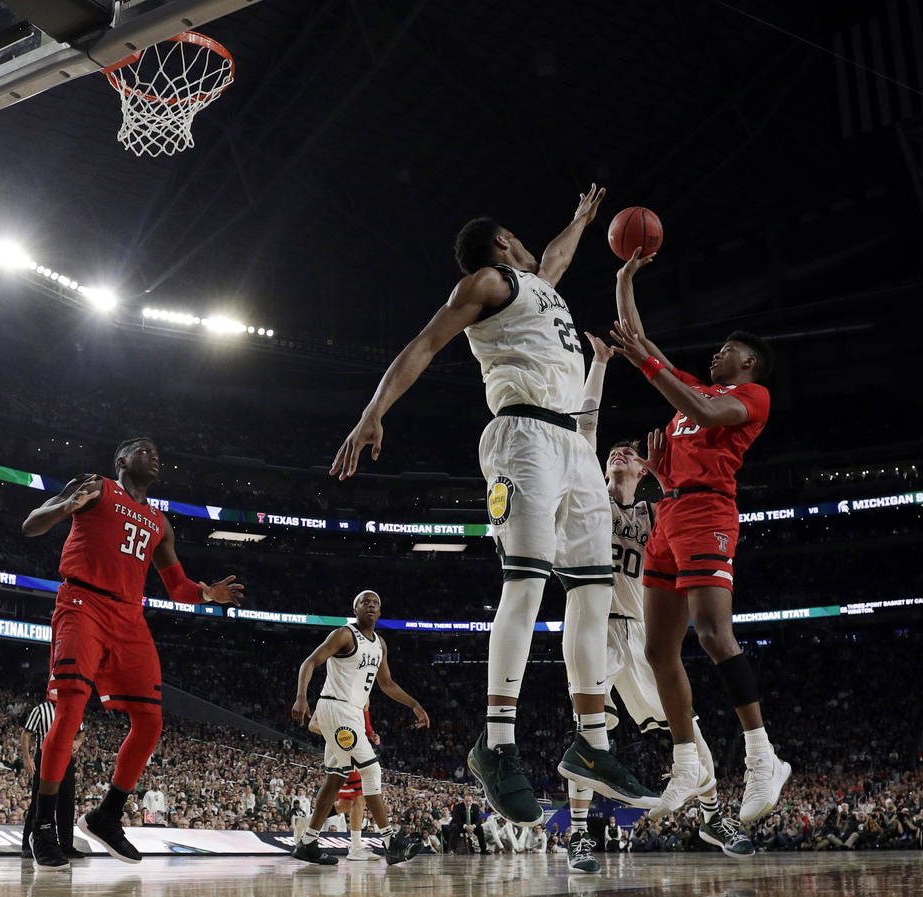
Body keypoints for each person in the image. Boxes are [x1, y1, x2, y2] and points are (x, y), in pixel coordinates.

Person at [330, 184, 649, 825]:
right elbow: (424, 342)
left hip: (573, 444)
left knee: (593, 592)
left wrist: (581, 218)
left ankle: (592, 745)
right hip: (522, 436)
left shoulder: (539, 286)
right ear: (501, 242)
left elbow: (554, 258)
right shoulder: (484, 282)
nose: (534, 248)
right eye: (518, 239)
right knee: (526, 586)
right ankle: (496, 744)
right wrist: (372, 413)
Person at [563, 323, 754, 874]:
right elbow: (583, 430)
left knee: (685, 727)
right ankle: (579, 837)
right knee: (588, 735)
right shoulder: (590, 503)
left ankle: (714, 813)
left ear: (646, 470)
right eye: (613, 453)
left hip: (641, 634)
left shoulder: (658, 517)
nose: (620, 452)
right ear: (604, 468)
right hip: (596, 626)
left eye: (631, 452)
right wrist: (599, 364)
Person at [611, 254, 790, 824]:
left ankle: (763, 757)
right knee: (657, 649)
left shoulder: (750, 397)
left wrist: (650, 365)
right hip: (667, 511)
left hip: (709, 513)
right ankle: (685, 762)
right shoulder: (691, 388)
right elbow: (640, 339)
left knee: (714, 633)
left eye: (727, 350)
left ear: (750, 361)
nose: (716, 355)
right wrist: (624, 279)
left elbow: (703, 408)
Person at [21, 437, 243, 871]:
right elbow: (32, 524)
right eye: (144, 450)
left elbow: (176, 585)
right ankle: (43, 826)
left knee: (151, 720)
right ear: (121, 460)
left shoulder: (159, 521)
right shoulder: (95, 486)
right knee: (69, 709)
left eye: (159, 452)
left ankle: (106, 815)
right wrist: (65, 507)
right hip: (83, 603)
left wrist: (205, 593)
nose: (155, 456)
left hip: (129, 617)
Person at [291, 590, 429, 866]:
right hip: (336, 707)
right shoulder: (344, 634)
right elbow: (310, 662)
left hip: (352, 711)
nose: (371, 605)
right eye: (365, 602)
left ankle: (307, 842)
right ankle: (390, 842)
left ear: (380, 611)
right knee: (371, 768)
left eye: (376, 602)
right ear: (355, 610)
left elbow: (387, 684)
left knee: (336, 778)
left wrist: (414, 704)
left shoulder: (380, 644)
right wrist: (301, 697)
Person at [315, 701, 381, 861]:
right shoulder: (331, 697)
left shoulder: (361, 690)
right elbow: (313, 725)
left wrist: (370, 733)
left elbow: (364, 714)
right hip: (342, 751)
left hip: (357, 749)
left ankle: (308, 821)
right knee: (360, 798)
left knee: (346, 805)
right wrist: (338, 735)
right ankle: (356, 847)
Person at [20, 698, 85, 860]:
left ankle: (66, 846)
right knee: (38, 801)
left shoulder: (72, 708)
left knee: (67, 802)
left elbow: (82, 731)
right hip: (45, 756)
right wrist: (27, 758)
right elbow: (26, 734)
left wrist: (78, 741)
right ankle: (28, 845)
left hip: (66, 758)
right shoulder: (40, 709)